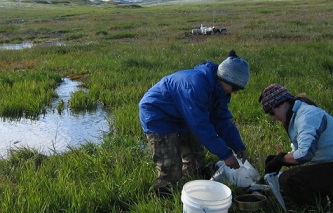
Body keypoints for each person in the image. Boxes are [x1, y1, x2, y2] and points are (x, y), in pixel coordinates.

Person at [139, 49, 250, 195]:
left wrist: (237, 145)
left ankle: (191, 188)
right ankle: (162, 196)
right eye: (234, 88)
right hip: (159, 114)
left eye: (239, 89)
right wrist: (225, 154)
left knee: (196, 161)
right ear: (223, 78)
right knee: (171, 169)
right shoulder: (195, 85)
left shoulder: (220, 91)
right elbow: (201, 126)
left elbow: (221, 120)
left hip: (183, 115)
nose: (235, 92)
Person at [259, 84, 333, 207]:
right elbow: (298, 150)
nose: (273, 118)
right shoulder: (294, 116)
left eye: (272, 112)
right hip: (328, 163)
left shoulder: (307, 116)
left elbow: (304, 154)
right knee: (288, 177)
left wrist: (281, 159)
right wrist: (280, 159)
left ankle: (317, 207)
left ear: (283, 104)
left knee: (289, 179)